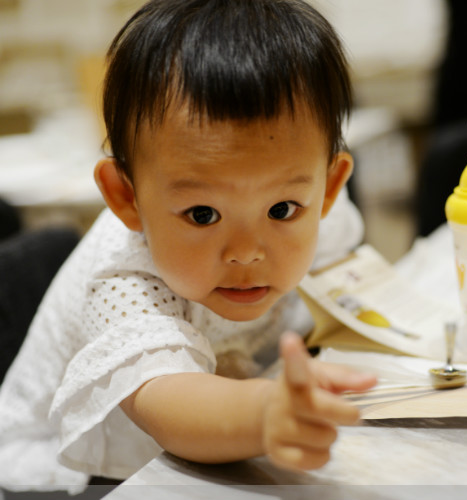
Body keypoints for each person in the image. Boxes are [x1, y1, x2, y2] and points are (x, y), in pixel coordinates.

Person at [0, 0, 377, 493]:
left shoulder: (316, 211)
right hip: (68, 479)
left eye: (282, 211)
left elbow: (346, 264)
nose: (247, 252)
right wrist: (268, 410)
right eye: (203, 215)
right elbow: (173, 405)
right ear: (126, 196)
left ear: (328, 188)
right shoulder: (123, 280)